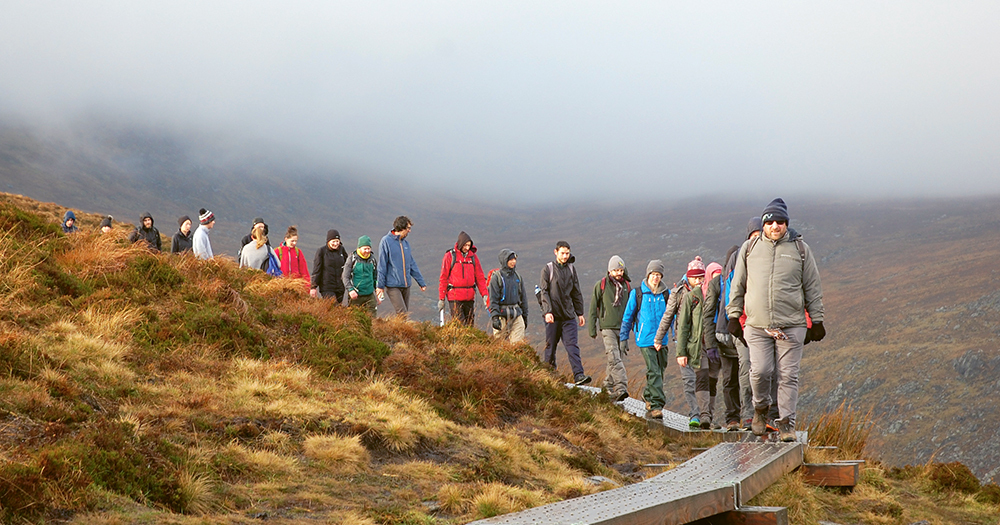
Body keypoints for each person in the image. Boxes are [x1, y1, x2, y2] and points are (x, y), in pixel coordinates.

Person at [727, 198, 826, 442]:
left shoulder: (801, 250)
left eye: (780, 222)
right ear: (763, 224)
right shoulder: (749, 249)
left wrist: (818, 320)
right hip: (757, 325)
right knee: (760, 371)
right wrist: (733, 315)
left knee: (788, 376)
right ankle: (760, 410)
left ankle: (786, 425)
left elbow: (812, 286)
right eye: (770, 221)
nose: (775, 226)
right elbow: (737, 284)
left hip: (791, 325)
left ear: (786, 224)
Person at [676, 259, 724, 430]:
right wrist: (681, 351)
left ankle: (709, 416)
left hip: (717, 345)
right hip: (699, 346)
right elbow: (683, 326)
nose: (714, 281)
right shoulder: (693, 297)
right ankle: (703, 414)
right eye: (713, 277)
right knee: (701, 377)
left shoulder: (722, 296)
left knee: (713, 380)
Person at [620, 260, 670, 419]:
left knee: (660, 370)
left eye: (658, 274)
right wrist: (624, 338)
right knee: (654, 371)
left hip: (662, 340)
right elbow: (628, 317)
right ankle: (656, 405)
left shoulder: (666, 294)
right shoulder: (637, 293)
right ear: (648, 274)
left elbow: (672, 316)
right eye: (653, 274)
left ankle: (648, 395)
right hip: (645, 339)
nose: (655, 277)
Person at [654, 263, 700, 427]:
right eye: (695, 277)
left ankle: (705, 415)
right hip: (682, 341)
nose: (699, 281)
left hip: (702, 341)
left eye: (701, 277)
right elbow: (668, 316)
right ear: (688, 276)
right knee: (689, 379)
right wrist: (658, 338)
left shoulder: (707, 291)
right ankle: (695, 414)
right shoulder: (678, 293)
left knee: (704, 379)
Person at [539, 241, 590, 385]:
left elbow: (576, 292)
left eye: (567, 253)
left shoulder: (572, 270)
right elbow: (544, 292)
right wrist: (547, 312)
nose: (565, 256)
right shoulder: (548, 269)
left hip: (568, 316)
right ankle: (548, 375)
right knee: (550, 346)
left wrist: (580, 313)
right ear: (556, 252)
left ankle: (579, 375)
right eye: (562, 253)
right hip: (553, 316)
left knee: (572, 345)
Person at [587, 255, 632, 403]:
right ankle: (621, 387)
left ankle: (607, 386)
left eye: (621, 269)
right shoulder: (601, 285)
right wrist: (592, 328)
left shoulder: (627, 286)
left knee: (615, 359)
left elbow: (632, 309)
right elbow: (593, 307)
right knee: (614, 356)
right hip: (607, 327)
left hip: (623, 328)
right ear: (610, 271)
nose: (619, 273)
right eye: (616, 270)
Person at [376, 216, 427, 315]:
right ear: (401, 228)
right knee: (402, 313)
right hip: (393, 285)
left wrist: (421, 282)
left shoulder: (405, 244)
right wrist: (380, 286)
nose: (409, 231)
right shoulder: (386, 241)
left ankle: (400, 330)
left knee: (404, 314)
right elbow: (382, 264)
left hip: (406, 285)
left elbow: (412, 264)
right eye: (408, 228)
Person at [438, 231, 488, 326]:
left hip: (469, 298)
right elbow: (443, 278)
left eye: (469, 245)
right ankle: (459, 340)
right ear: (460, 243)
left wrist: (484, 294)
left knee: (469, 325)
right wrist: (441, 298)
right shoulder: (450, 256)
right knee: (460, 325)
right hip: (454, 297)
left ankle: (469, 341)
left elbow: (480, 277)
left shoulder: (473, 257)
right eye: (465, 245)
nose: (467, 248)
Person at [489, 249, 528, 343]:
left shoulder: (517, 277)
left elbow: (523, 298)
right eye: (510, 259)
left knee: (517, 345)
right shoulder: (496, 278)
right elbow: (493, 300)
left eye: (514, 259)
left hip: (516, 314)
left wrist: (524, 316)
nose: (513, 262)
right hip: (501, 315)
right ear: (504, 261)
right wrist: (495, 318)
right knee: (498, 344)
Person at [343, 235, 382, 315]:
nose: (367, 251)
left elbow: (375, 277)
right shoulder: (352, 259)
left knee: (372, 319)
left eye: (369, 248)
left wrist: (378, 294)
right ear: (359, 248)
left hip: (370, 295)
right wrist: (350, 290)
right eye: (365, 249)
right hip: (356, 295)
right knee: (354, 319)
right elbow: (345, 276)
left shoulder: (372, 260)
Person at [311, 229, 349, 302]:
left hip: (340, 287)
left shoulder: (342, 250)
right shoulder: (321, 251)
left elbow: (347, 266)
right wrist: (313, 287)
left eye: (337, 241)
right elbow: (317, 269)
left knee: (337, 310)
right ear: (328, 241)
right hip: (327, 287)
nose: (336, 243)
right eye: (333, 241)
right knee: (333, 305)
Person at [275, 226, 310, 290]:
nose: (294, 243)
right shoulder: (278, 251)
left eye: (296, 241)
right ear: (286, 239)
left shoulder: (298, 252)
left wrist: (307, 285)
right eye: (292, 241)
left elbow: (304, 270)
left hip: (296, 284)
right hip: (282, 284)